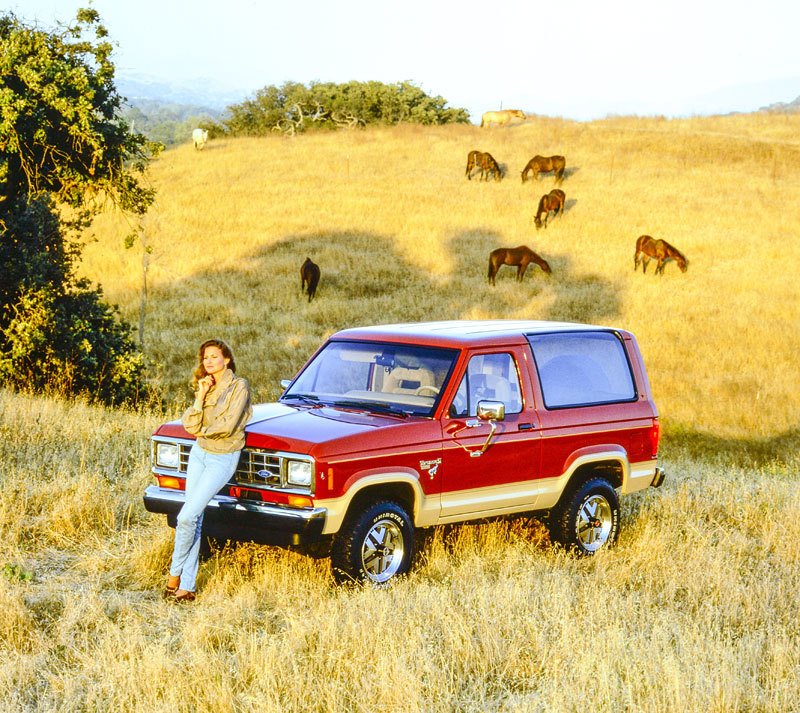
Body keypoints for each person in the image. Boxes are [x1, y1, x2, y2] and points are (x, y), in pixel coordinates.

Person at [164, 339, 252, 603]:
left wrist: (201, 430)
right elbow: (189, 421)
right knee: (195, 518)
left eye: (214, 356)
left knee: (186, 516)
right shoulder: (207, 386)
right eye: (205, 358)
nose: (209, 361)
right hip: (200, 454)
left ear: (226, 359)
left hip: (222, 457)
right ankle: (187, 588)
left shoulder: (239, 386)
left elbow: (228, 424)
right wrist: (200, 396)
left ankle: (173, 574)